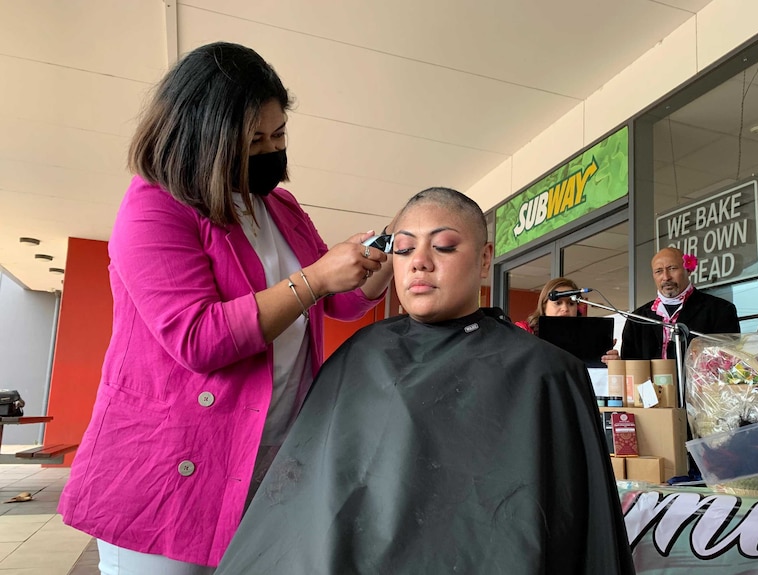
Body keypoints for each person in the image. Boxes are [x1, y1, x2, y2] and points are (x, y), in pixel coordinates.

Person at [57, 42, 393, 574]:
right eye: (252, 139)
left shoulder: (278, 206)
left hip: (265, 456)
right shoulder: (155, 204)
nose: (269, 150)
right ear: (203, 139)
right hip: (166, 470)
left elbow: (335, 301)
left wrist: (377, 269)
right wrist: (316, 277)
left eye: (278, 134)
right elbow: (199, 338)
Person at [214, 187, 635, 574]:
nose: (419, 260)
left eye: (445, 245)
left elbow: (576, 532)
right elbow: (301, 517)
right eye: (404, 248)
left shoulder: (547, 373)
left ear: (485, 258)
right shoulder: (358, 357)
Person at [602, 247, 740, 362]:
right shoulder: (637, 318)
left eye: (672, 268)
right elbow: (631, 365)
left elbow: (728, 362)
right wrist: (617, 364)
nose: (666, 277)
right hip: (652, 394)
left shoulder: (720, 310)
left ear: (688, 270)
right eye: (659, 271)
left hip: (699, 393)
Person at [515, 276, 587, 335]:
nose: (565, 309)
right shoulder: (525, 332)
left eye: (571, 303)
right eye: (558, 303)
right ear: (544, 306)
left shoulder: (586, 334)